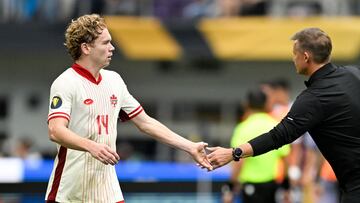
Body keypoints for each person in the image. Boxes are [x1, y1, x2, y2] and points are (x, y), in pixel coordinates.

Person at [45, 14, 212, 203]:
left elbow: (146, 123)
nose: (112, 47)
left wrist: (189, 147)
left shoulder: (114, 80)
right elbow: (55, 130)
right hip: (69, 192)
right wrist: (91, 146)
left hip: (107, 191)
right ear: (86, 47)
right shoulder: (66, 82)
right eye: (106, 43)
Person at [207, 27, 360, 203]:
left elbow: (278, 136)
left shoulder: (312, 98)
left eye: (294, 54)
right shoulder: (354, 73)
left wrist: (234, 153)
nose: (293, 58)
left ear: (305, 57)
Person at [229, 88, 289, 203]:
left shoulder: (243, 127)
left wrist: (231, 187)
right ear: (266, 104)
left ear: (247, 104)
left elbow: (238, 160)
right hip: (272, 184)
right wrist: (286, 187)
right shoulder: (275, 125)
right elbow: (286, 158)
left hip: (250, 184)